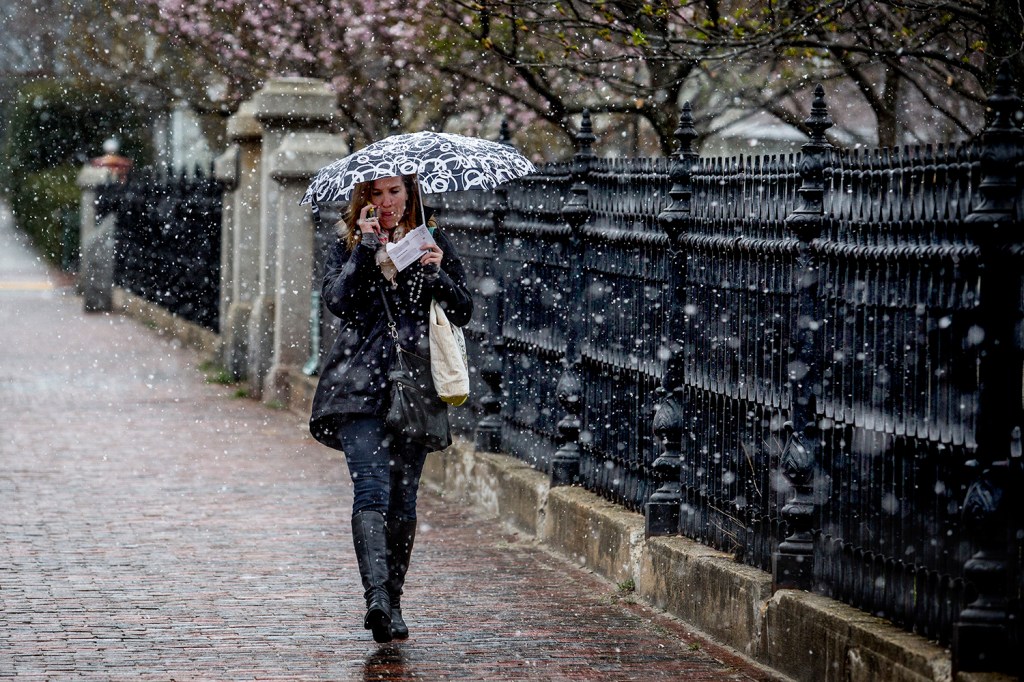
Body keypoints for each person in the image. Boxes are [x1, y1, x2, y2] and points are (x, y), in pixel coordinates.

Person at [309, 174, 473, 643]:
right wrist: (365, 250)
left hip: (415, 387)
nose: (386, 202)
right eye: (376, 193)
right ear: (363, 199)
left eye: (394, 192)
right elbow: (338, 301)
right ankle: (377, 599)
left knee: (403, 498)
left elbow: (464, 310)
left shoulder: (432, 240)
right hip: (358, 388)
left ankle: (394, 600)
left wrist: (438, 273)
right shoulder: (347, 244)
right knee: (371, 491)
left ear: (410, 194)